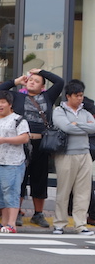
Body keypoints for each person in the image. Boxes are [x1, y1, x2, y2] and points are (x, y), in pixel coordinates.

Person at [0, 67, 64, 228]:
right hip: (21, 142)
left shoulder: (48, 96)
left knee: (40, 178)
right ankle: (16, 212)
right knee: (19, 177)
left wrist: (41, 71)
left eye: (37, 81)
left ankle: (38, 214)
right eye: (31, 79)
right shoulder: (18, 96)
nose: (32, 82)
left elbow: (60, 82)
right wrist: (17, 81)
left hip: (41, 143)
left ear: (42, 86)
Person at [0, 91, 30, 233]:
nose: (0, 105)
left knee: (11, 192)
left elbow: (24, 138)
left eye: (3, 102)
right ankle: (4, 222)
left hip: (12, 163)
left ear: (10, 104)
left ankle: (12, 223)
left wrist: (5, 140)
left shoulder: (18, 120)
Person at [51, 80, 95, 235]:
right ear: (68, 96)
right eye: (77, 96)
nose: (80, 99)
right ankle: (59, 223)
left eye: (81, 95)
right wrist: (82, 126)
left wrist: (77, 124)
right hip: (66, 154)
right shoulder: (59, 111)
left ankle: (80, 224)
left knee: (83, 191)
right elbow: (66, 127)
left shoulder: (85, 112)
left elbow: (93, 128)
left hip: (85, 153)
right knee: (64, 190)